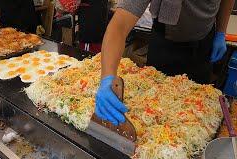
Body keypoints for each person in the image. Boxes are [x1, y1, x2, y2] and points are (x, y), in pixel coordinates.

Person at [95, 0, 235, 125]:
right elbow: (119, 26)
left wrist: (221, 32)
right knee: (156, 112)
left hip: (204, 42)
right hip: (166, 43)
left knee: (197, 115)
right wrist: (107, 77)